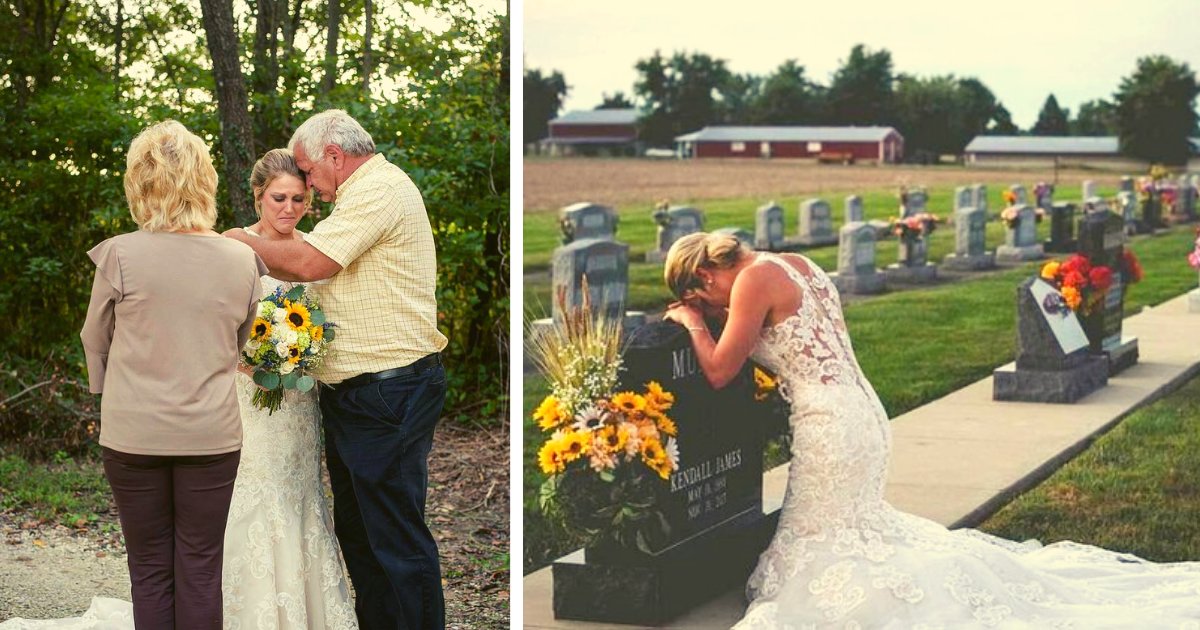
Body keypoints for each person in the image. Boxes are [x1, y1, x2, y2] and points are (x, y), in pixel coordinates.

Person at [662, 232, 1200, 628]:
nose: (709, 308)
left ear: (704, 276)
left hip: (831, 423)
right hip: (859, 409)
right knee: (854, 527)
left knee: (830, 543)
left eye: (702, 299)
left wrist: (689, 325)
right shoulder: (795, 262)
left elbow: (719, 369)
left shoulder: (753, 279)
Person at [224, 109, 449, 630]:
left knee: (393, 537)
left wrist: (226, 242)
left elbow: (309, 266)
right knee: (362, 534)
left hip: (389, 390)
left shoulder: (379, 191)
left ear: (334, 156)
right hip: (356, 395)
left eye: (307, 171)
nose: (306, 183)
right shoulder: (352, 200)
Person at [80, 120, 267, 629]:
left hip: (133, 433)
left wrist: (108, 393)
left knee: (149, 568)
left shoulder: (119, 253)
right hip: (211, 435)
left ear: (139, 183)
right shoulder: (242, 259)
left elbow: (94, 339)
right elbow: (241, 340)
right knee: (202, 568)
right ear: (203, 181)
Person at [220, 148, 358, 629]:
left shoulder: (313, 251)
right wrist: (251, 360)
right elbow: (215, 325)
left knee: (301, 493)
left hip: (299, 402)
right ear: (258, 195)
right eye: (279, 197)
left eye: (300, 199)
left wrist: (304, 351)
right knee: (253, 494)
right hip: (248, 403)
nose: (289, 209)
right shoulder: (233, 248)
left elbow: (325, 320)